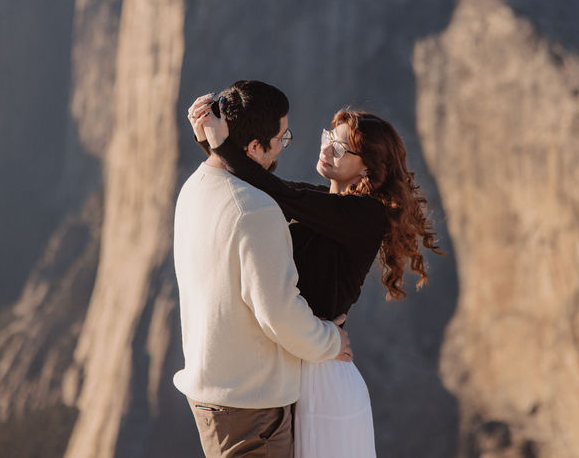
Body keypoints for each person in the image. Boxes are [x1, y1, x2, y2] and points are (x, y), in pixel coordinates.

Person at [188, 91, 442, 458]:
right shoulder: (324, 200)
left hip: (323, 375)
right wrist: (210, 145)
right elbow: (263, 185)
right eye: (328, 137)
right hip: (297, 361)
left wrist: (221, 144)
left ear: (367, 168)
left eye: (340, 148)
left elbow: (281, 193)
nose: (326, 148)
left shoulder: (363, 216)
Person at [173, 80, 353, 458]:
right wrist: (330, 342)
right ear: (254, 147)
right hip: (250, 411)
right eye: (281, 138)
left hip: (214, 395)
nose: (284, 145)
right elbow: (279, 313)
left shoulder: (196, 187)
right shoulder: (253, 209)